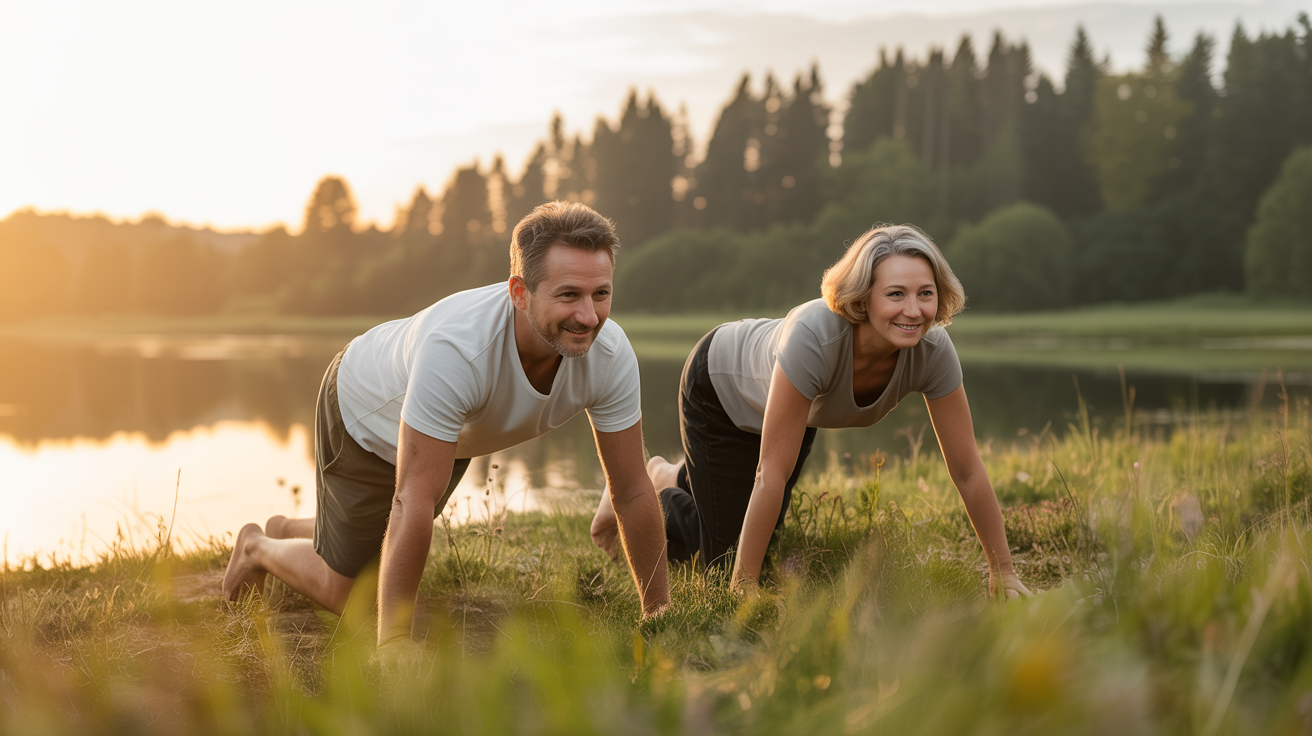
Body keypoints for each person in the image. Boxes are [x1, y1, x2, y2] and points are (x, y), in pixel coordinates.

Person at [224, 201, 671, 644]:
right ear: (520, 292)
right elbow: (411, 499)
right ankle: (256, 546)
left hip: (452, 434)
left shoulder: (609, 354)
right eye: (569, 294)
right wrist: (395, 645)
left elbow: (631, 489)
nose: (589, 317)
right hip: (364, 409)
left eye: (601, 294)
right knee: (354, 595)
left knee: (384, 544)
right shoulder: (459, 350)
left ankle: (292, 530)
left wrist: (659, 614)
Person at [591, 224, 1030, 598]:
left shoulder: (932, 350)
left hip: (795, 410)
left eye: (925, 294)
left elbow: (968, 469)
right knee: (726, 563)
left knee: (760, 532)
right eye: (896, 294)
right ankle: (662, 487)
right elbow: (770, 475)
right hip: (719, 387)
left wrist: (1003, 571)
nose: (913, 310)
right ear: (865, 297)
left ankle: (678, 476)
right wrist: (744, 587)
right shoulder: (815, 338)